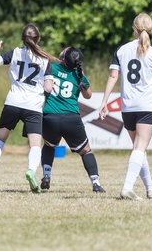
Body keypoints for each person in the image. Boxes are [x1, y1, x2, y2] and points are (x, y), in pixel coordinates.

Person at [99, 12, 152, 200]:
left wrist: (104, 101)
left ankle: (149, 188)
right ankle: (127, 188)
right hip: (147, 105)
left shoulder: (121, 50)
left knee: (139, 148)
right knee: (139, 148)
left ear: (134, 29)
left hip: (128, 107)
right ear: (151, 29)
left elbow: (113, 77)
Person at [0, 24, 55, 193]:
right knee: (35, 143)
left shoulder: (14, 53)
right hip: (33, 106)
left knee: (0, 139)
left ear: (22, 39)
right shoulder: (45, 60)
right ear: (39, 39)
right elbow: (48, 88)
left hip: (13, 103)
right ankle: (30, 171)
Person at [41, 46, 105, 193]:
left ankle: (46, 176)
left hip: (50, 116)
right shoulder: (78, 73)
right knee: (86, 151)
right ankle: (96, 183)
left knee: (49, 146)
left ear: (63, 58)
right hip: (71, 118)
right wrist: (82, 81)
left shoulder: (51, 68)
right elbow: (88, 95)